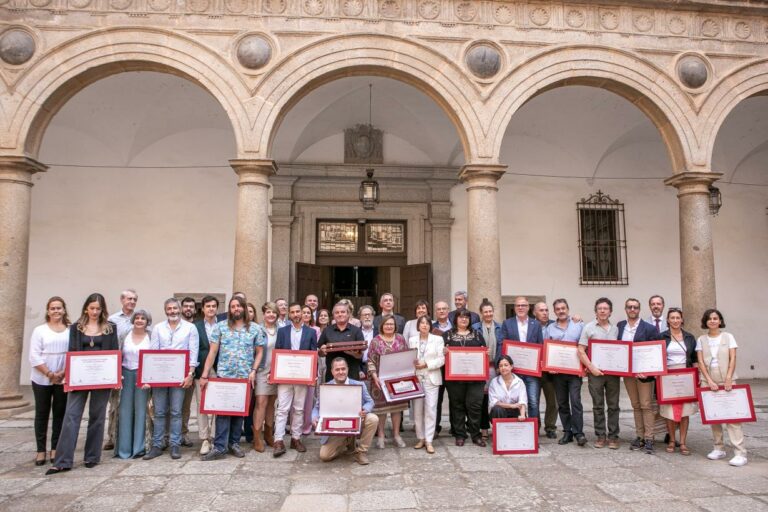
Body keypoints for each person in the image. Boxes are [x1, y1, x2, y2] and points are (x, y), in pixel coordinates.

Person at [48, 293, 119, 475]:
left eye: (98, 308)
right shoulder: (76, 328)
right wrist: (67, 374)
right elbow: (72, 351)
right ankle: (63, 460)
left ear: (102, 310)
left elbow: (113, 352)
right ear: (86, 308)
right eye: (92, 308)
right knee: (71, 416)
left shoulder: (111, 328)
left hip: (102, 378)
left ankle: (92, 456)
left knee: (97, 416)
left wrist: (115, 377)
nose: (95, 312)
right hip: (80, 377)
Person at [199, 296, 265, 460]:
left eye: (238, 306)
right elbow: (212, 352)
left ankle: (233, 443)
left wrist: (254, 370)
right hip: (224, 376)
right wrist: (205, 375)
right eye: (232, 306)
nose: (236, 309)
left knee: (238, 412)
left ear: (244, 308)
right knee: (222, 412)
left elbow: (260, 352)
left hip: (244, 377)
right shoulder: (220, 327)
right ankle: (220, 446)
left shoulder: (255, 329)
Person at [143, 298, 198, 460]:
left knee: (176, 411)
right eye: (169, 308)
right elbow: (153, 352)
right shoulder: (158, 328)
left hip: (180, 376)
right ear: (165, 310)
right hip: (160, 376)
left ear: (179, 309)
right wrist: (150, 377)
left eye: (175, 308)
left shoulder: (190, 328)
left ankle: (175, 444)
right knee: (159, 412)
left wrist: (190, 374)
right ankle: (157, 444)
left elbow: (193, 352)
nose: (172, 311)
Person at [696, 308, 747, 467]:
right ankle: (718, 448)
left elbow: (733, 358)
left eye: (715, 318)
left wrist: (729, 378)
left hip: (727, 380)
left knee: (733, 417)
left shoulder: (728, 336)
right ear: (705, 322)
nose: (712, 321)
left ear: (720, 321)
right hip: (709, 380)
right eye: (709, 319)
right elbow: (701, 363)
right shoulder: (701, 339)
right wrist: (709, 381)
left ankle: (740, 452)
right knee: (715, 415)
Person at [312, 357, 378, 465]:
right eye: (337, 370)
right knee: (325, 456)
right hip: (335, 427)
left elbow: (370, 402)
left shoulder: (359, 384)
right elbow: (317, 407)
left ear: (347, 369)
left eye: (343, 369)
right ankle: (347, 440)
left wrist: (365, 410)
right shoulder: (326, 387)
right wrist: (313, 417)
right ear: (332, 371)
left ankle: (361, 452)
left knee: (373, 419)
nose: (341, 372)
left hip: (355, 421)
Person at [272, 302, 317, 457]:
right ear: (289, 315)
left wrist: (313, 375)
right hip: (284, 376)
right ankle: (278, 440)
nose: (296, 314)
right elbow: (277, 351)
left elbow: (313, 354)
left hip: (302, 377)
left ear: (302, 314)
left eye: (298, 312)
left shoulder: (311, 332)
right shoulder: (282, 331)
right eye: (293, 312)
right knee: (282, 408)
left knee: (299, 408)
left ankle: (296, 438)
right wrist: (275, 373)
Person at [29, 296, 70, 466]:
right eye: (53, 308)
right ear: (48, 310)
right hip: (42, 378)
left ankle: (55, 448)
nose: (56, 311)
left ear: (64, 310)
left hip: (62, 377)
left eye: (59, 308)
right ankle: (40, 450)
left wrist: (61, 373)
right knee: (42, 413)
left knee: (60, 414)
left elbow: (72, 353)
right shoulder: (40, 330)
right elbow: (34, 355)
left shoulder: (70, 329)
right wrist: (49, 373)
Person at [617, 298, 659, 453]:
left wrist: (649, 371)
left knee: (646, 405)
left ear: (639, 309)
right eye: (629, 307)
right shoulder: (621, 326)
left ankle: (649, 438)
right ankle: (639, 436)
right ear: (625, 309)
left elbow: (655, 352)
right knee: (635, 405)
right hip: (628, 373)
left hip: (644, 373)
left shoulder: (649, 328)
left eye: (635, 307)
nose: (632, 309)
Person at [578, 297, 620, 449]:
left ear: (610, 312)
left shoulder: (616, 329)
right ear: (595, 311)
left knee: (614, 405)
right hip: (595, 373)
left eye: (606, 309)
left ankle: (614, 436)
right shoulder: (588, 328)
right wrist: (591, 367)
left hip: (613, 374)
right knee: (598, 405)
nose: (602, 311)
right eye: (600, 308)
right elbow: (581, 350)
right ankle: (601, 435)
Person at [443, 310, 487, 446]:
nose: (464, 320)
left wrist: (486, 353)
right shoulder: (447, 336)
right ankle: (460, 434)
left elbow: (484, 353)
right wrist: (443, 351)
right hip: (455, 379)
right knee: (457, 406)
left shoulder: (478, 335)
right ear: (455, 319)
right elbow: (439, 355)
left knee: (475, 406)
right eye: (461, 317)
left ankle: (475, 434)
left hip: (475, 379)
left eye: (466, 317)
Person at [499, 297, 543, 429]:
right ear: (514, 307)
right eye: (518, 305)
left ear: (528, 307)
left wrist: (540, 363)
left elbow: (540, 344)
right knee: (515, 400)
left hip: (531, 371)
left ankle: (534, 431)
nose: (520, 308)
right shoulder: (507, 323)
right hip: (514, 371)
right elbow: (502, 343)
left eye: (523, 305)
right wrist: (500, 364)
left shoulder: (536, 324)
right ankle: (517, 427)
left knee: (533, 401)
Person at [547, 299, 586, 446]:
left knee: (576, 401)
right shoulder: (550, 328)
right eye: (558, 309)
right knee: (562, 403)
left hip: (575, 372)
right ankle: (567, 432)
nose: (561, 311)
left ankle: (579, 433)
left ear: (568, 309)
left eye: (563, 308)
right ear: (555, 311)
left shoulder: (579, 325)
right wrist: (548, 365)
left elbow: (585, 345)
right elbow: (547, 349)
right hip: (557, 373)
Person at [367, 315, 410, 449]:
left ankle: (396, 435)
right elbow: (370, 361)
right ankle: (380, 435)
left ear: (395, 326)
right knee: (381, 410)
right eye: (386, 324)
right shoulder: (375, 341)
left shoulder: (401, 339)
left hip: (398, 380)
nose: (389, 326)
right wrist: (375, 377)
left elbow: (407, 356)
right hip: (380, 381)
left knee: (397, 409)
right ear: (382, 326)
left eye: (391, 324)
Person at [104, 288, 138, 451]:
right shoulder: (112, 320)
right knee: (115, 403)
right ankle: (112, 436)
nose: (131, 302)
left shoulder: (139, 318)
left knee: (131, 404)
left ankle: (128, 434)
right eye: (129, 299)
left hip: (134, 365)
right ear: (122, 300)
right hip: (117, 365)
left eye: (134, 299)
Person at [659, 308, 697, 456]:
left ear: (682, 320)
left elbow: (694, 359)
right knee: (669, 411)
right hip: (667, 375)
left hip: (685, 375)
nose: (675, 320)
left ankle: (683, 442)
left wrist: (696, 377)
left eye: (677, 318)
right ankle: (672, 441)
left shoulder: (689, 337)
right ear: (668, 320)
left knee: (685, 412)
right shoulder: (661, 336)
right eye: (672, 318)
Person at [116, 309, 152, 459]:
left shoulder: (151, 336)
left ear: (147, 321)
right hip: (126, 374)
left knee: (141, 411)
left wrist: (150, 378)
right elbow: (117, 355)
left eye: (143, 318)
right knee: (125, 411)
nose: (139, 320)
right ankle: (124, 449)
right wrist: (116, 376)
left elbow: (155, 357)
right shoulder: (125, 335)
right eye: (137, 318)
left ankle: (139, 447)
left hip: (143, 376)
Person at [408, 315, 444, 453]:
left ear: (430, 325)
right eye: (421, 323)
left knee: (430, 408)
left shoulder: (438, 339)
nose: (424, 325)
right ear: (418, 326)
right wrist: (414, 364)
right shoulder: (412, 340)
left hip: (431, 377)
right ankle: (421, 438)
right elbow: (408, 358)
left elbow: (441, 360)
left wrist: (426, 364)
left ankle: (429, 440)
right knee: (417, 410)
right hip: (416, 378)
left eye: (427, 323)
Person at [192, 295, 218, 456]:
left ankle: (214, 436)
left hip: (218, 369)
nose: (211, 309)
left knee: (217, 404)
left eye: (214, 306)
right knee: (202, 405)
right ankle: (204, 438)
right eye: (208, 306)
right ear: (203, 308)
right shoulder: (195, 326)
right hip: (201, 370)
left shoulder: (223, 325)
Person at [472, 299, 501, 439]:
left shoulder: (500, 328)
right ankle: (483, 428)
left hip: (496, 369)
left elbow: (503, 346)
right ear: (481, 313)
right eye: (485, 312)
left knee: (495, 398)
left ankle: (497, 426)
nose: (488, 314)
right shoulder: (475, 327)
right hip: (479, 368)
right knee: (482, 399)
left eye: (490, 311)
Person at [252, 301, 279, 453]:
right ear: (264, 314)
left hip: (276, 371)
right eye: (268, 312)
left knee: (271, 403)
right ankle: (257, 437)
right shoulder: (257, 329)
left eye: (274, 312)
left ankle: (269, 434)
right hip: (262, 370)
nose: (271, 315)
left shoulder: (281, 330)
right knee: (261, 402)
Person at [318, 302, 366, 382]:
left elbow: (360, 355)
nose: (340, 314)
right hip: (332, 376)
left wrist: (352, 353)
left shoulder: (356, 331)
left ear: (348, 314)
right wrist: (322, 351)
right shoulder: (327, 331)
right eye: (337, 312)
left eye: (343, 312)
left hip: (352, 375)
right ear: (333, 316)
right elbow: (320, 353)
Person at [533, 301, 558, 440]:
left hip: (550, 371)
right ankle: (535, 426)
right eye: (541, 310)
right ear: (534, 313)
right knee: (533, 400)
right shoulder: (530, 326)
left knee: (552, 400)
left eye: (547, 310)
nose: (545, 313)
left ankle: (550, 427)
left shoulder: (555, 325)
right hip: (534, 369)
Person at [179, 296, 198, 448]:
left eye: (191, 306)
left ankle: (183, 433)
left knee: (185, 405)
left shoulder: (197, 326)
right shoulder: (174, 325)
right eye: (185, 306)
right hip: (174, 370)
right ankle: (168, 434)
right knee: (170, 406)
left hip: (191, 372)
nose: (188, 309)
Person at [431, 300, 452, 436]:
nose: (442, 311)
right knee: (436, 400)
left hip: (453, 368)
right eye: (439, 309)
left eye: (444, 309)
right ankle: (435, 428)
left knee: (455, 399)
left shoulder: (456, 326)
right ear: (435, 311)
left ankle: (455, 427)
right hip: (436, 368)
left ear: (448, 310)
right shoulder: (431, 327)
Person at [488, 355, 528, 420]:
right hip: (499, 413)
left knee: (520, 412)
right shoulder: (494, 382)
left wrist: (522, 415)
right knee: (497, 409)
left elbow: (522, 401)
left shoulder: (519, 382)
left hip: (514, 411)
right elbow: (494, 402)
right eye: (501, 366)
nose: (503, 368)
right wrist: (510, 406)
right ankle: (499, 429)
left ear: (511, 366)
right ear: (498, 369)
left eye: (506, 365)